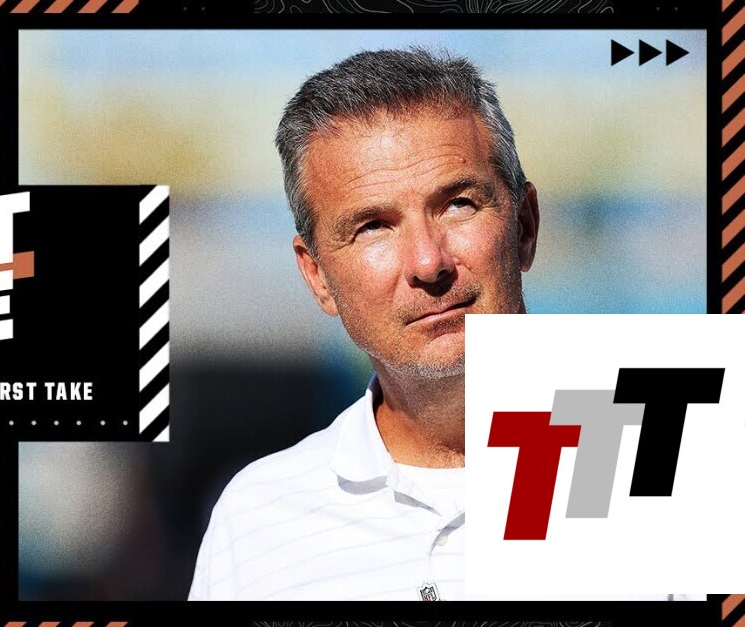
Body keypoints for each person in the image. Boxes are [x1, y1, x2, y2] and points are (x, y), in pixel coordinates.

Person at [187, 47, 699, 602]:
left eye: (458, 204)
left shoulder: (681, 460)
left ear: (525, 226)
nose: (429, 263)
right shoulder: (255, 521)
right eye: (373, 226)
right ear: (318, 277)